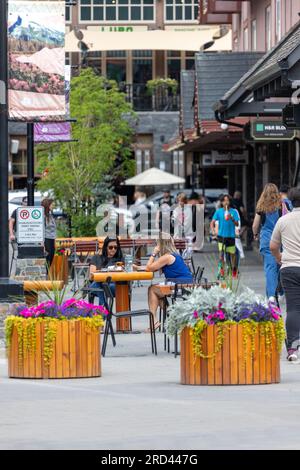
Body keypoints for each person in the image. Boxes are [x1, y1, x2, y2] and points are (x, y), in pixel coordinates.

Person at [133, 233, 193, 328]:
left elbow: (149, 268)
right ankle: (172, 314)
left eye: (157, 244)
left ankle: (156, 320)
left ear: (161, 244)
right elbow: (153, 267)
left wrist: (154, 253)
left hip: (180, 285)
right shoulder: (173, 255)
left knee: (152, 289)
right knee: (157, 291)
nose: (156, 246)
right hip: (183, 283)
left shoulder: (167, 257)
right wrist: (138, 268)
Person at [270, 187, 300, 361]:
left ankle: (292, 350)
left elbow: (273, 246)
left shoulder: (283, 220)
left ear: (290, 201)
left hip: (289, 268)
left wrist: (279, 258)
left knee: (294, 308)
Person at [252, 183, 283, 302]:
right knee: (280, 265)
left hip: (266, 240)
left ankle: (271, 295)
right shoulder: (281, 206)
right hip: (280, 240)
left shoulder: (261, 207)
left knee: (270, 267)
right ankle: (279, 290)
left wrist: (255, 234)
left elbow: (255, 225)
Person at [210, 194, 240, 278]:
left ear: (230, 202)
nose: (226, 202)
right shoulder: (219, 211)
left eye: (227, 200)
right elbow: (212, 222)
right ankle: (222, 271)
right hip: (221, 236)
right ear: (221, 202)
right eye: (224, 200)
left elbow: (237, 224)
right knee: (221, 255)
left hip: (231, 236)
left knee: (232, 254)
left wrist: (232, 218)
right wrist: (213, 231)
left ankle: (234, 270)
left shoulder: (233, 211)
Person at [89, 236, 124, 305]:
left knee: (104, 286)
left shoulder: (119, 260)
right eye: (110, 247)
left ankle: (103, 310)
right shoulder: (96, 257)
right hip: (96, 285)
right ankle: (104, 308)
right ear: (105, 247)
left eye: (115, 247)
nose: (113, 249)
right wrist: (102, 272)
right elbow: (91, 276)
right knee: (99, 284)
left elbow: (124, 272)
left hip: (112, 285)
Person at [41, 198, 57, 271]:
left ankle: (47, 276)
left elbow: (53, 230)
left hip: (51, 239)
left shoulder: (50, 216)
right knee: (48, 258)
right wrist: (43, 245)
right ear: (47, 205)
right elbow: (42, 230)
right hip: (46, 239)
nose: (53, 206)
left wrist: (54, 241)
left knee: (51, 258)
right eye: (52, 204)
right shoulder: (43, 216)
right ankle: (45, 276)